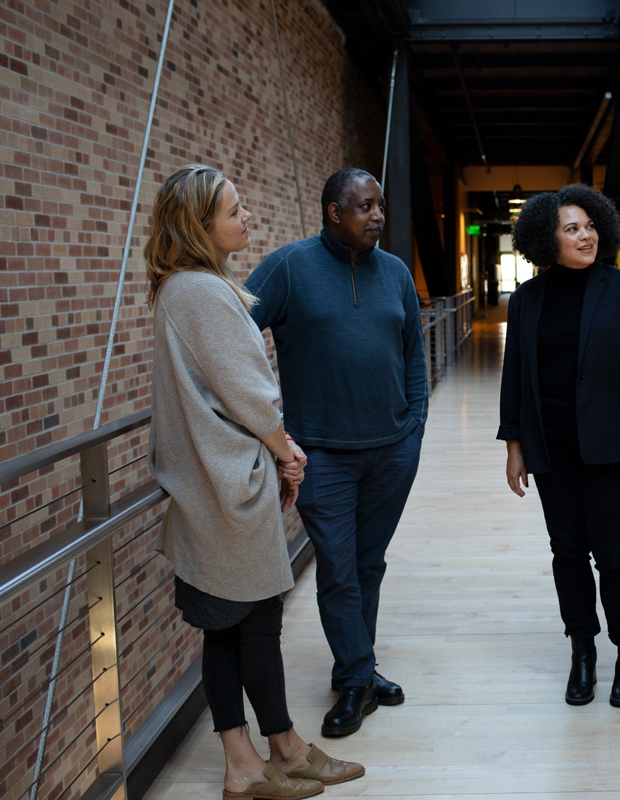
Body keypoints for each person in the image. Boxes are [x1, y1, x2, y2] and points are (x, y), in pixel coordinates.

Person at [147, 164, 365, 798]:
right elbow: (247, 392)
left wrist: (276, 448)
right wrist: (287, 450)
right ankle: (252, 761)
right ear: (198, 225)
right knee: (244, 623)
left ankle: (276, 750)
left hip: (220, 484)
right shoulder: (199, 292)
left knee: (241, 623)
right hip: (222, 489)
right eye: (233, 210)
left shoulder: (193, 287)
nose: (246, 218)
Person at [245, 169, 428, 738]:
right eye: (365, 207)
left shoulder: (394, 272)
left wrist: (415, 428)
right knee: (339, 569)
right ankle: (355, 679)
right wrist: (272, 426)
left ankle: (358, 666)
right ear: (333, 212)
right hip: (321, 456)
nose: (378, 216)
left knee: (368, 564)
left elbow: (414, 355)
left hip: (392, 452)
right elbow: (235, 339)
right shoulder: (289, 268)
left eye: (380, 206)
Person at [497, 184, 620, 708]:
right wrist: (514, 446)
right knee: (566, 552)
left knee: (614, 554)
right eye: (572, 228)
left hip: (609, 448)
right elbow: (516, 378)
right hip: (552, 448)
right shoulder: (526, 299)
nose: (586, 235)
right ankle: (583, 651)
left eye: (590, 226)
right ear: (548, 239)